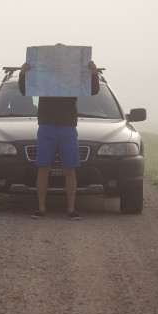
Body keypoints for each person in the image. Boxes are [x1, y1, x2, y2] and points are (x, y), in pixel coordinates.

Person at [18, 59, 100, 220]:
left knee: (70, 169)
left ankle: (71, 209)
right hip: (46, 127)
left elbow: (93, 90)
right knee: (43, 169)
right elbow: (24, 90)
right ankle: (41, 208)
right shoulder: (43, 79)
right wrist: (23, 73)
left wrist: (94, 74)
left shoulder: (73, 80)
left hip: (68, 128)